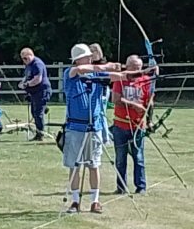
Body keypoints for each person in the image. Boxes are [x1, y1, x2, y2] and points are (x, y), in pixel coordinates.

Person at [62, 43, 126, 214]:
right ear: (77, 59)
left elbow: (117, 76)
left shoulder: (98, 74)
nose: (90, 58)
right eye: (87, 56)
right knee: (74, 166)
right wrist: (107, 66)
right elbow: (82, 70)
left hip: (94, 127)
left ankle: (95, 201)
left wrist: (138, 73)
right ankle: (75, 201)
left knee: (94, 165)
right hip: (76, 127)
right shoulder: (70, 72)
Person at [111, 55, 156, 194]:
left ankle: (141, 187)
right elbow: (115, 99)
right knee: (120, 159)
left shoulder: (146, 80)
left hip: (138, 125)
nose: (137, 70)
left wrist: (149, 120)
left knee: (139, 157)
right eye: (134, 68)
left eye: (139, 68)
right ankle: (121, 187)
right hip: (120, 125)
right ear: (127, 67)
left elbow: (150, 102)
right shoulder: (120, 78)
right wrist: (133, 105)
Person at [18, 48, 51, 141]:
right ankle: (43, 109)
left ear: (31, 55)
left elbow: (37, 79)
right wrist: (23, 82)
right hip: (34, 92)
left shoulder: (37, 64)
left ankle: (40, 134)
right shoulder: (28, 65)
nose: (24, 60)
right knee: (34, 112)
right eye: (23, 58)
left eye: (25, 58)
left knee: (38, 113)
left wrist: (27, 84)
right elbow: (27, 76)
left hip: (42, 90)